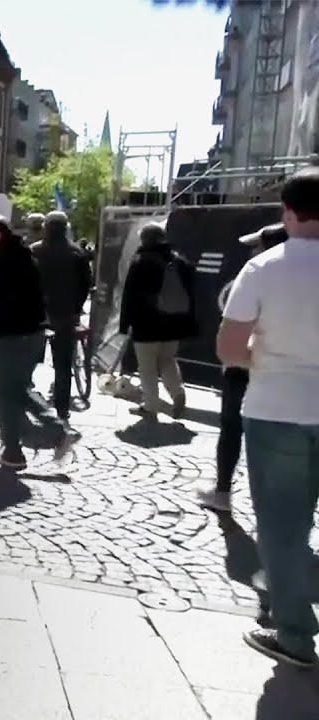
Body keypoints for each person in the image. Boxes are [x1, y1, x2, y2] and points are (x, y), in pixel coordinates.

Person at [217, 168, 319, 668]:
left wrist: (269, 353)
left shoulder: (263, 268)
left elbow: (229, 349)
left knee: (282, 527)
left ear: (288, 212)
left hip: (277, 409)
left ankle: (296, 634)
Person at [198, 223, 289, 512]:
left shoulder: (257, 274)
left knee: (232, 429)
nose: (252, 250)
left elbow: (233, 329)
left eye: (257, 245)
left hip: (247, 366)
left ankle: (223, 492)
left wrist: (238, 357)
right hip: (284, 371)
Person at [0, 217, 78, 469]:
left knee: (10, 392)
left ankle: (54, 432)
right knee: (15, 390)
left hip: (9, 333)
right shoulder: (25, 255)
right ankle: (14, 449)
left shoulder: (0, 260)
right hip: (33, 331)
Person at [119, 222, 198, 418]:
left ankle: (151, 405)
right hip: (173, 323)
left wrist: (125, 323)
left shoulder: (141, 261)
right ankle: (178, 393)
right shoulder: (178, 261)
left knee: (147, 367)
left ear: (144, 239)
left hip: (146, 324)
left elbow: (130, 295)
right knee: (168, 360)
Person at [32, 210, 95, 421]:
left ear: (46, 228)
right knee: (63, 363)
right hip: (66, 314)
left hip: (37, 313)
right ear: (66, 227)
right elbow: (87, 283)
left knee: (28, 359)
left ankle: (27, 400)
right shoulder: (76, 253)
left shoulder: (35, 251)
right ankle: (61, 406)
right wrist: (77, 307)